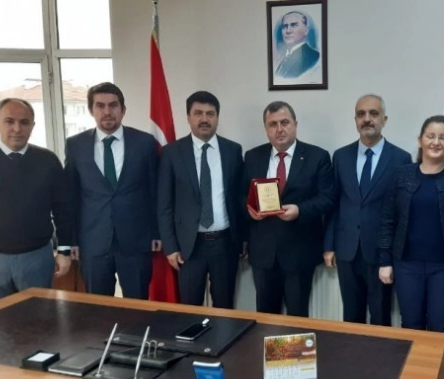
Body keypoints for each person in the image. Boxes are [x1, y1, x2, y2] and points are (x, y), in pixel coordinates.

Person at [378, 115, 444, 370]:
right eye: (431, 136)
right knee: (411, 327)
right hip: (406, 265)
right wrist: (385, 261)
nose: (436, 142)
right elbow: (388, 220)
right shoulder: (401, 175)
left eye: (443, 137)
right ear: (420, 140)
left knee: (440, 329)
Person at [0, 98, 73, 304]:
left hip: (37, 259)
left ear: (33, 126)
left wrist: (64, 250)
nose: (17, 129)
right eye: (9, 121)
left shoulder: (48, 161)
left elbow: (63, 209)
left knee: (39, 318)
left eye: (24, 122)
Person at [64, 82, 160, 299]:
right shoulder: (75, 145)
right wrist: (72, 239)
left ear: (123, 110)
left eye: (113, 105)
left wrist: (156, 232)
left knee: (137, 307)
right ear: (91, 110)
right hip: (93, 242)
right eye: (100, 106)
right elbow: (70, 196)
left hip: (136, 240)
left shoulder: (144, 143)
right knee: (99, 309)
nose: (107, 111)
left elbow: (154, 191)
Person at [323, 94, 411, 325]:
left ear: (384, 119)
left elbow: (402, 213)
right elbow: (334, 203)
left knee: (380, 317)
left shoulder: (401, 159)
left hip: (381, 252)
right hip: (347, 249)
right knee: (351, 317)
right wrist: (329, 245)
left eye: (373, 113)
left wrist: (395, 254)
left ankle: (380, 352)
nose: (367, 119)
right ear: (355, 120)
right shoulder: (341, 156)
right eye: (361, 114)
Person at [244, 101, 334, 317]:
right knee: (265, 317)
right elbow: (239, 195)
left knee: (297, 318)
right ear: (266, 128)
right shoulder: (252, 156)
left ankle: (294, 344)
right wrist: (249, 209)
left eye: (285, 122)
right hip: (263, 253)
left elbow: (328, 198)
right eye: (272, 124)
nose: (279, 129)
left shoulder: (317, 157)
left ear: (295, 124)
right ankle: (266, 343)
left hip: (299, 252)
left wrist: (300, 210)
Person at [157, 91, 245, 308]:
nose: (204, 119)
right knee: (190, 308)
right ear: (188, 117)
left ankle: (223, 333)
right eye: (198, 113)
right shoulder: (171, 153)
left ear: (217, 117)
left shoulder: (233, 150)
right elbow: (164, 204)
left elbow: (239, 198)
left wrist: (243, 238)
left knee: (225, 307)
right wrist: (170, 247)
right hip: (189, 246)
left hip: (225, 244)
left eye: (210, 114)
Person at [274, 11, 320, 79]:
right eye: (284, 27)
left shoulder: (313, 57)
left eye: (294, 25)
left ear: (306, 30)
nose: (288, 31)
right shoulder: (284, 59)